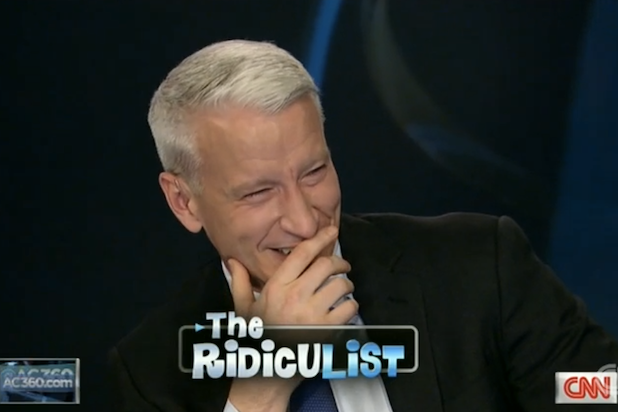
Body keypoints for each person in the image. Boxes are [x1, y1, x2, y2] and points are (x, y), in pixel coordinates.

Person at [108, 39, 618, 412]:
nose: (305, 221)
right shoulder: (152, 372)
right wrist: (264, 382)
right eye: (259, 192)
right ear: (184, 202)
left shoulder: (482, 266)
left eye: (314, 172)